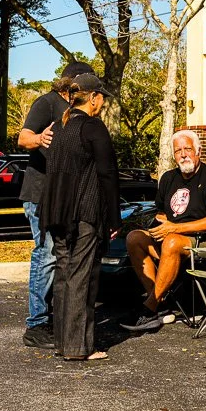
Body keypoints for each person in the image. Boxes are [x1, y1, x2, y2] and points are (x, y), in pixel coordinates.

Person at [39, 73, 121, 361]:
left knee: (64, 274)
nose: (102, 103)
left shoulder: (59, 127)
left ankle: (63, 343)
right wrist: (114, 218)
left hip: (56, 210)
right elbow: (107, 173)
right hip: (84, 210)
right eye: (101, 98)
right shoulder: (92, 126)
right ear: (93, 98)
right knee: (81, 276)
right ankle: (78, 347)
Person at [17, 61, 95, 350]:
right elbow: (23, 137)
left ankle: (55, 318)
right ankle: (36, 324)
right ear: (71, 83)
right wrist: (39, 138)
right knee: (46, 254)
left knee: (62, 255)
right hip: (40, 194)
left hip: (64, 196)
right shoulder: (47, 103)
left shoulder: (76, 111)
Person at [121, 129, 206, 332]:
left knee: (172, 241)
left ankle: (149, 308)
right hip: (173, 238)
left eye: (187, 149)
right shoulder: (168, 178)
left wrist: (176, 228)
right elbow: (162, 213)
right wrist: (160, 225)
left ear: (198, 151)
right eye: (178, 151)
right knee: (134, 238)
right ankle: (160, 304)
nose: (183, 154)